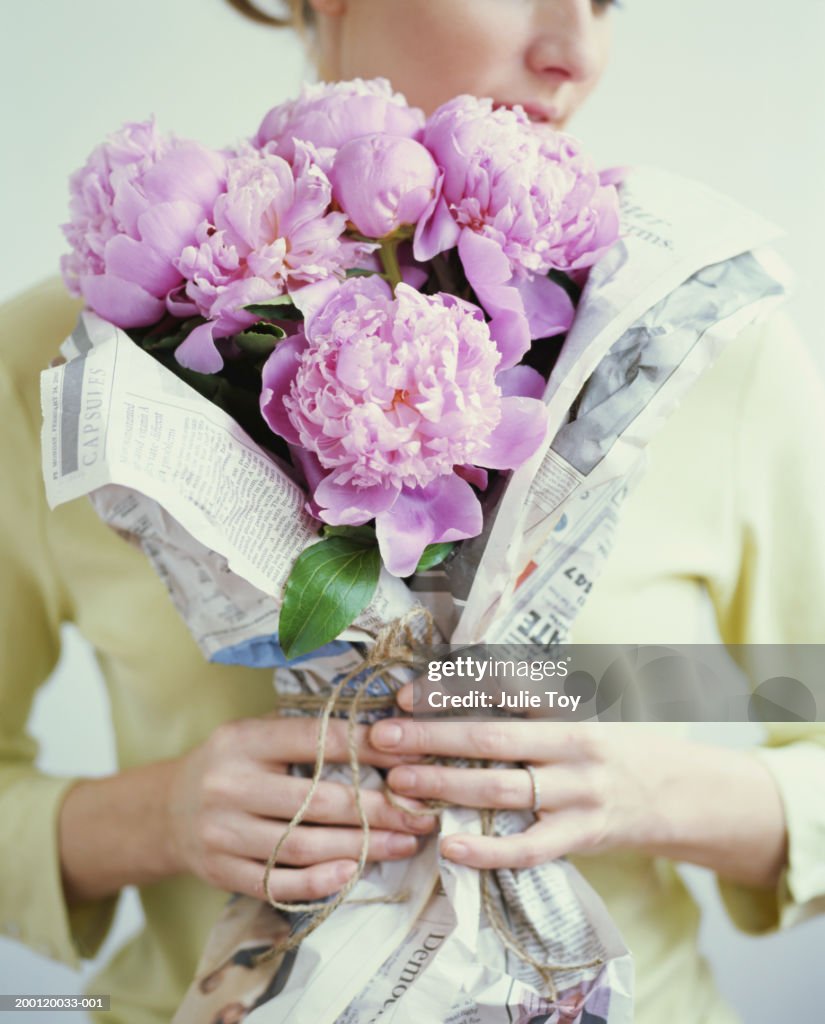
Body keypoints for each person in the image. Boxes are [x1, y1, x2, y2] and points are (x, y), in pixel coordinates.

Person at [1, 1, 823, 1022]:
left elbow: (812, 715)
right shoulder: (56, 364)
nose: (578, 53)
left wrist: (644, 790)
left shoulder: (711, 346)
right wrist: (152, 819)